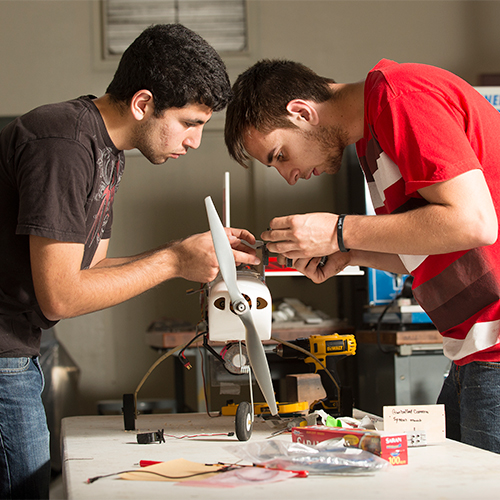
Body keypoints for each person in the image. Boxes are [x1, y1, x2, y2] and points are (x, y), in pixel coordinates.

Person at [0, 24, 259, 499]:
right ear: (143, 104)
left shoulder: (107, 152)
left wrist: (185, 250)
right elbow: (59, 296)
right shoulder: (63, 143)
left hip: (18, 346)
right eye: (190, 123)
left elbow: (91, 269)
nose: (196, 141)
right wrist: (174, 261)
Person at [224, 58, 500, 454]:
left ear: (302, 112)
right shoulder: (369, 140)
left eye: (280, 155)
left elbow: (474, 223)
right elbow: (421, 249)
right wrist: (347, 253)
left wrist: (337, 230)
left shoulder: (399, 96)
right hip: (472, 351)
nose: (289, 175)